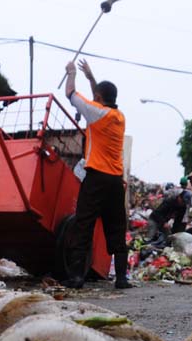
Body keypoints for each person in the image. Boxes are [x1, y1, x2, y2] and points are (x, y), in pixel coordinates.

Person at [62, 59, 131, 289]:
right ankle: (121, 278)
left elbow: (70, 93)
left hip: (96, 179)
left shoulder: (96, 113)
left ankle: (76, 277)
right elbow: (97, 102)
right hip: (115, 182)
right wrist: (91, 78)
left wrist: (71, 72)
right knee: (116, 227)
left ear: (99, 99)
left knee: (84, 225)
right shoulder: (119, 117)